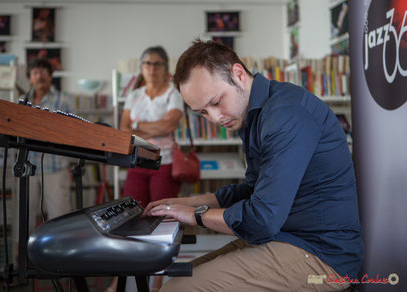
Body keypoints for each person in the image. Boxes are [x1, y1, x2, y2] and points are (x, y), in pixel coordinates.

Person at [143, 39, 364, 291]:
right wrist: (186, 204)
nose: (215, 118)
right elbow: (253, 190)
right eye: (202, 112)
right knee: (179, 279)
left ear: (238, 74)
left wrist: (194, 215)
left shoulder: (285, 115)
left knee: (179, 289)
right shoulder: (256, 112)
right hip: (288, 237)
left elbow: (261, 220)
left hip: (323, 253)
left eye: (216, 102)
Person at [105, 46, 184, 292]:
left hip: (165, 162)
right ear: (141, 68)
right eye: (147, 63)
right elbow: (124, 129)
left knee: (163, 220)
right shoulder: (134, 94)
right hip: (136, 162)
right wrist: (151, 127)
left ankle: (157, 283)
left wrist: (139, 126)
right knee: (128, 217)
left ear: (166, 69)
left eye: (157, 63)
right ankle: (119, 280)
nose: (152, 68)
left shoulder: (174, 93)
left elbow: (170, 124)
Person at [14, 58, 72, 252]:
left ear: (50, 76)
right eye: (35, 73)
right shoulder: (21, 102)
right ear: (30, 77)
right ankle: (21, 264)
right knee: (23, 217)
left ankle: (61, 266)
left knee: (59, 218)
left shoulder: (63, 100)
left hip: (56, 168)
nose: (39, 76)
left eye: (43, 72)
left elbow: (74, 134)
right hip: (27, 169)